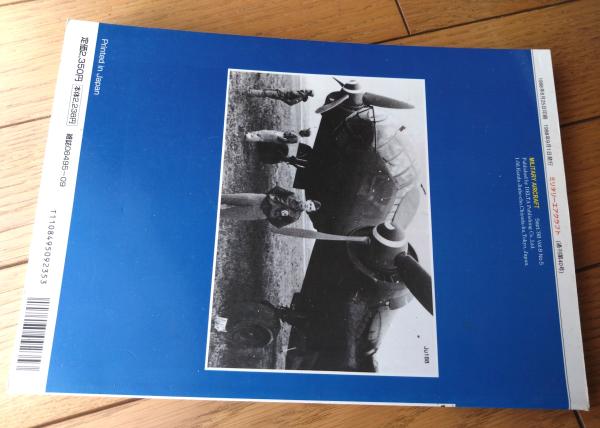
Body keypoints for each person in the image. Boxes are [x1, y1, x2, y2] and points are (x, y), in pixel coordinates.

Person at [220, 185, 321, 228]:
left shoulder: (294, 217)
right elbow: (277, 189)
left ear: (309, 211)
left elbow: (278, 224)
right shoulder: (293, 195)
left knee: (226, 214)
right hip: (259, 199)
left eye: (310, 208)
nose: (308, 206)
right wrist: (268, 196)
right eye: (310, 204)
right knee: (230, 198)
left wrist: (278, 214)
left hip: (259, 213)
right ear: (308, 200)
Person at [245, 129, 312, 168]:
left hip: (278, 139)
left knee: (263, 135)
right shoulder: (297, 137)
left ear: (304, 133)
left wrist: (278, 137)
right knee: (263, 136)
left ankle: (248, 137)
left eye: (305, 130)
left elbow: (285, 140)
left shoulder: (297, 138)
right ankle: (249, 137)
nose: (303, 130)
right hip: (281, 143)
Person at [246, 89, 314, 106]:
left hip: (281, 94)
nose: (308, 89)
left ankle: (249, 92)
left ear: (308, 94)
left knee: (265, 93)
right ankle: (250, 93)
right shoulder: (302, 92)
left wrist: (282, 98)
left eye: (309, 91)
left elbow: (291, 103)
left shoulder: (301, 97)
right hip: (280, 91)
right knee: (265, 92)